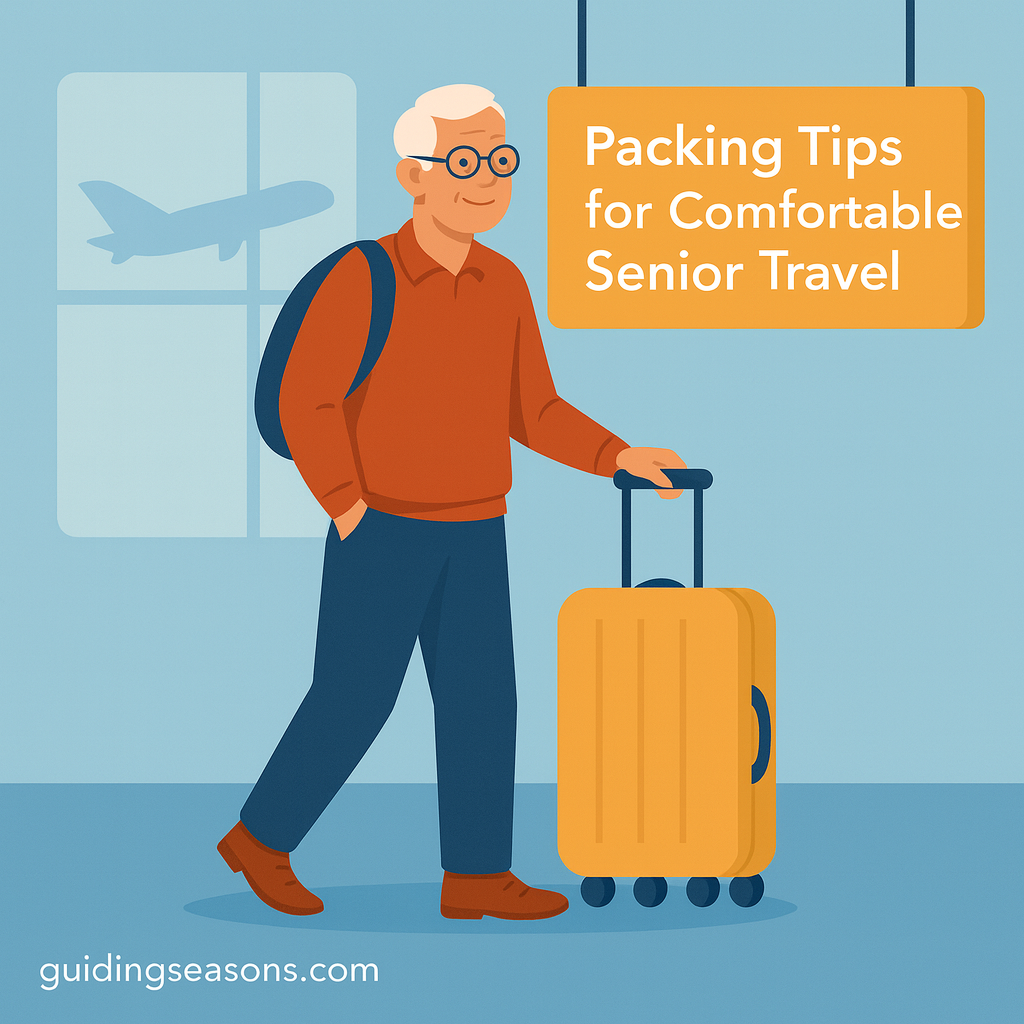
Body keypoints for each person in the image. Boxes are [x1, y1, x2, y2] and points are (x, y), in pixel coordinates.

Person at [217, 84, 686, 921]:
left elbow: (533, 409)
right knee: (355, 696)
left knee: (483, 699)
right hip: (383, 527)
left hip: (477, 527)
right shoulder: (365, 275)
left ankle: (476, 876)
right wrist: (346, 503)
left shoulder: (503, 282)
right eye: (466, 160)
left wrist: (615, 455)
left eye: (501, 160)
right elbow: (306, 398)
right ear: (414, 175)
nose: (488, 178)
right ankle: (261, 839)